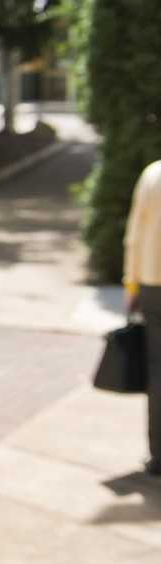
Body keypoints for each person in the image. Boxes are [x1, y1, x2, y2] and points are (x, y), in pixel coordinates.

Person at [124, 160, 161, 475]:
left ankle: (159, 457)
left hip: (153, 286)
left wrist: (131, 283)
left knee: (158, 374)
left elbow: (134, 236)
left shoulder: (152, 174)